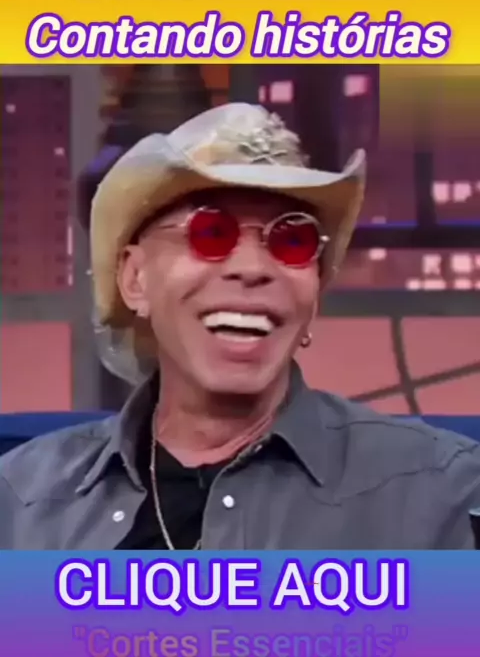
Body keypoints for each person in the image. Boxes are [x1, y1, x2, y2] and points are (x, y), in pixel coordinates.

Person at [0, 103, 479, 550]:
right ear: (135, 279)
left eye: (292, 241)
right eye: (211, 233)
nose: (252, 269)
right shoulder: (20, 500)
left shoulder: (443, 493)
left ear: (314, 294)